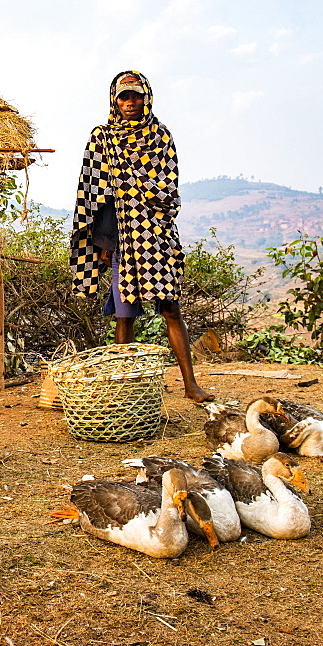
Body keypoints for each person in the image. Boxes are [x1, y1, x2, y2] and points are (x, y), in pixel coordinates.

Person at [69, 70, 213, 402]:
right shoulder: (102, 137)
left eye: (135, 96)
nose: (130, 102)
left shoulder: (161, 136)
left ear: (146, 98)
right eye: (124, 97)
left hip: (156, 237)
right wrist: (104, 244)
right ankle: (125, 389)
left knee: (171, 309)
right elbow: (95, 195)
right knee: (124, 313)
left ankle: (190, 385)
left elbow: (168, 185)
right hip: (121, 237)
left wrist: (146, 205)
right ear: (114, 100)